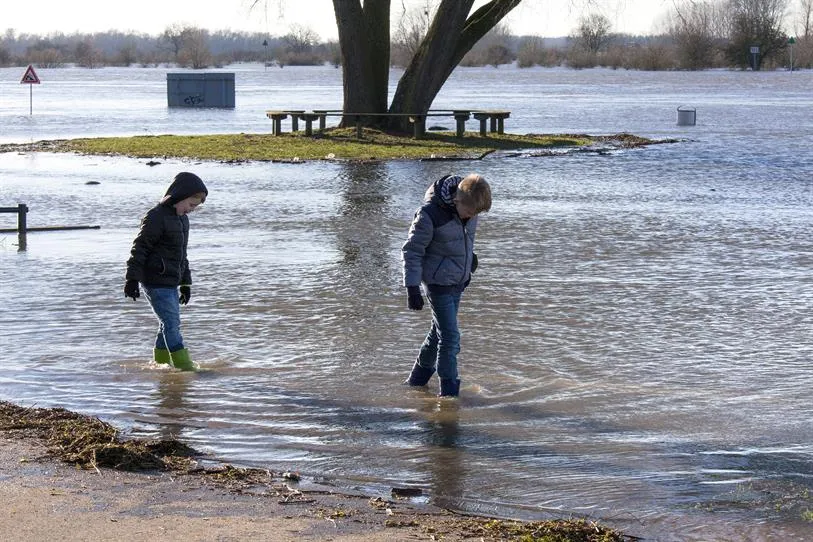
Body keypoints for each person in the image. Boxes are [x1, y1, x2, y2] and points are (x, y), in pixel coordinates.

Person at [401, 173, 492, 397]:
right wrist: (412, 288)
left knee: (438, 333)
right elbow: (412, 251)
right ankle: (449, 395)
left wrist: (469, 263)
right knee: (450, 338)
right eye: (469, 213)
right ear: (456, 200)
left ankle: (417, 381)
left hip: (457, 282)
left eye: (476, 214)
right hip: (437, 284)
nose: (472, 217)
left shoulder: (470, 209)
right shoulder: (429, 215)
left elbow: (464, 241)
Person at [124, 172, 208, 371]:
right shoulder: (156, 216)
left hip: (172, 282)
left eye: (195, 207)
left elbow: (182, 255)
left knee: (167, 323)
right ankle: (184, 364)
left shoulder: (183, 220)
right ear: (179, 196)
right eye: (190, 205)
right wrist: (132, 279)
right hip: (155, 281)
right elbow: (140, 248)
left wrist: (185, 284)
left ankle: (161, 363)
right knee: (171, 323)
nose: (191, 210)